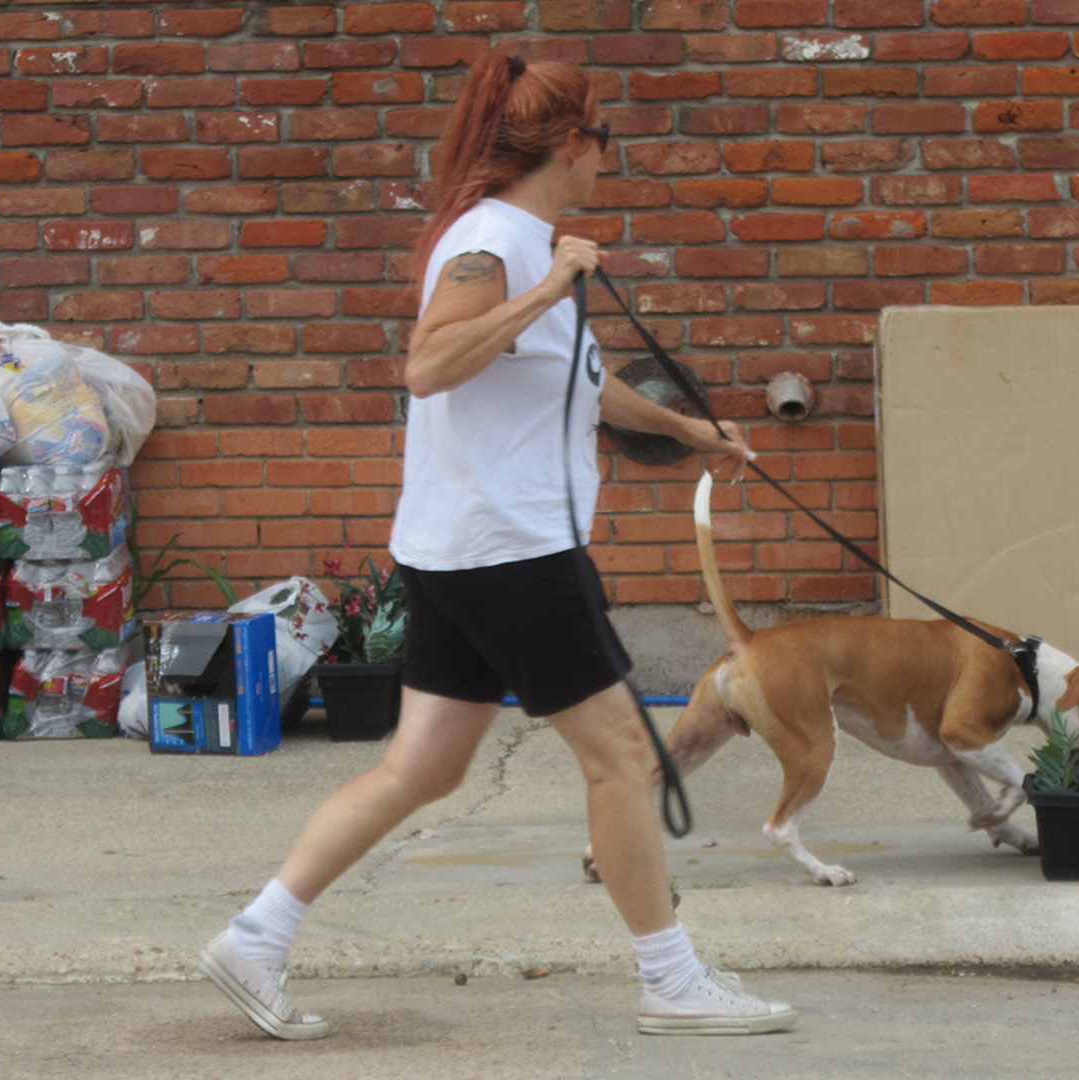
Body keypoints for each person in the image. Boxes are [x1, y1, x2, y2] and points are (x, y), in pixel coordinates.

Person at [201, 49, 794, 1041]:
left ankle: (256, 937)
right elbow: (429, 365)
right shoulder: (496, 244)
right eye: (607, 138)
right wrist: (549, 281)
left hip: (462, 549)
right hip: (512, 551)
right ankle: (673, 978)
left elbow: (573, 380)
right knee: (619, 757)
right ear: (572, 142)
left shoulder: (522, 241)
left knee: (421, 767)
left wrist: (691, 430)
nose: (611, 158)